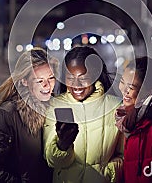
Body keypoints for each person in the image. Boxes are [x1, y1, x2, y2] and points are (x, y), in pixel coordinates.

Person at [0, 47, 58, 182]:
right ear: (24, 81)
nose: (47, 85)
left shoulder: (58, 107)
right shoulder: (8, 114)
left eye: (51, 78)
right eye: (39, 80)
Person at [43, 46, 124, 183]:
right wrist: (62, 145)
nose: (76, 85)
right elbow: (51, 161)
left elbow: (125, 154)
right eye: (70, 77)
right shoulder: (55, 105)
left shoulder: (115, 107)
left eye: (83, 77)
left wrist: (107, 173)